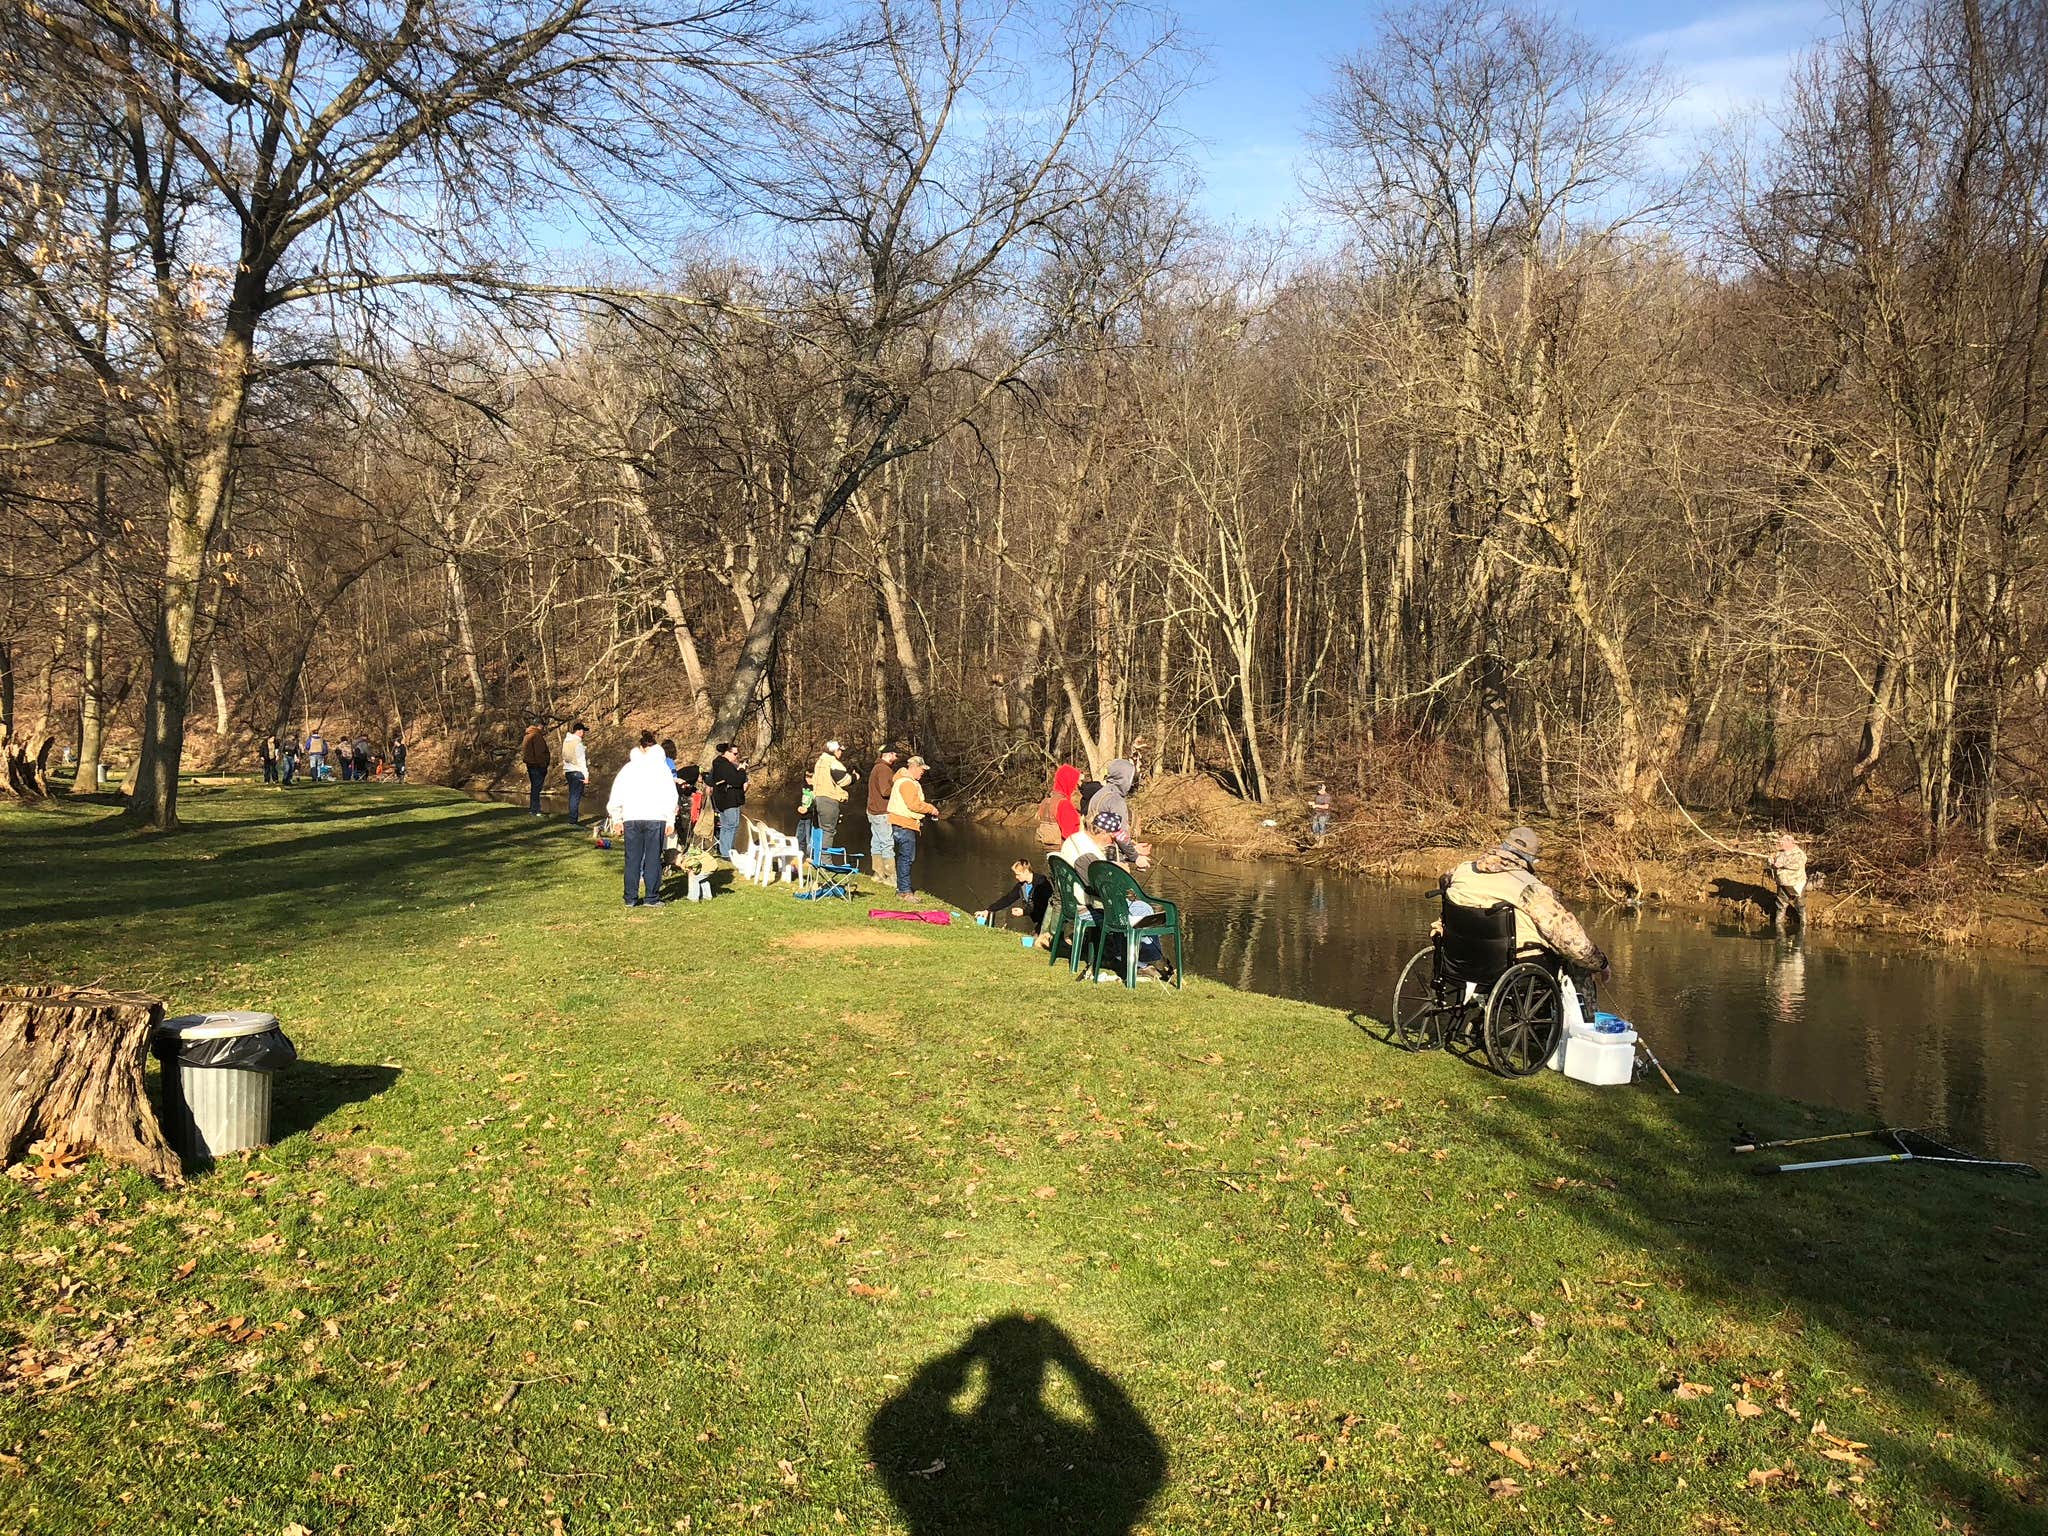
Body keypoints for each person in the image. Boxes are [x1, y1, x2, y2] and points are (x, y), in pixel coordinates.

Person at [1441, 826, 1609, 978]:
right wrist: (1599, 963)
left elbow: (1443, 884)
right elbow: (1570, 940)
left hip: (1459, 959)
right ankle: (1585, 1011)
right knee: (1575, 960)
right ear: (1530, 859)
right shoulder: (1530, 888)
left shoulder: (1461, 871)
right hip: (1512, 967)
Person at [605, 730, 678, 909]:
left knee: (632, 858)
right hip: (656, 817)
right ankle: (651, 897)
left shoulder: (628, 769)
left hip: (632, 817)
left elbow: (617, 794)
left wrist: (616, 818)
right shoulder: (662, 769)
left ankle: (630, 897)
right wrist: (670, 820)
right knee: (653, 858)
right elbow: (670, 795)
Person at [1084, 759, 1150, 870]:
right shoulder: (1116, 800)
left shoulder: (1099, 794)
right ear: (1124, 778)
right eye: (1131, 778)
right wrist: (1136, 857)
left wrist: (1132, 847)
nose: (1132, 783)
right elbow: (1120, 834)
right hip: (1109, 859)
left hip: (1093, 853)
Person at [887, 755, 938, 896]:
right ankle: (904, 891)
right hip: (904, 825)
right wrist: (931, 809)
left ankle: (902, 888)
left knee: (904, 857)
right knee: (906, 858)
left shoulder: (903, 781)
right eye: (922, 769)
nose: (923, 772)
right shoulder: (907, 783)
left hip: (900, 824)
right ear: (914, 767)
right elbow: (914, 804)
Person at [975, 859, 1051, 930]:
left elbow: (1044, 906)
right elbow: (1008, 899)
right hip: (1040, 920)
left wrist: (1024, 912)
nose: (1016, 877)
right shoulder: (1022, 885)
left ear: (1026, 871)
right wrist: (988, 910)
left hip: (1049, 919)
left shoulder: (1041, 884)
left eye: (1018, 874)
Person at [810, 739, 855, 859]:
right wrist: (855, 777)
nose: (841, 753)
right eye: (840, 750)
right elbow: (843, 780)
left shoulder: (820, 761)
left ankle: (816, 858)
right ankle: (825, 861)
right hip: (829, 800)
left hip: (817, 799)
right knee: (828, 831)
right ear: (835, 750)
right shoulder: (833, 762)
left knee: (819, 831)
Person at [866, 744, 902, 880]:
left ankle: (878, 874)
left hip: (873, 811)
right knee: (887, 843)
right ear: (888, 754)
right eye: (895, 754)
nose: (897, 757)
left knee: (876, 842)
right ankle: (891, 877)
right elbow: (885, 791)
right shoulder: (884, 769)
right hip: (881, 811)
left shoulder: (876, 768)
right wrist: (898, 786)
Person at [708, 742, 749, 859]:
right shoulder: (725, 765)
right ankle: (727, 853)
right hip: (730, 800)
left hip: (722, 799)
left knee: (726, 826)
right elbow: (736, 781)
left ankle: (724, 851)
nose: (736, 756)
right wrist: (741, 770)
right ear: (727, 752)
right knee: (732, 826)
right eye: (735, 754)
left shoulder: (717, 764)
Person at [1765, 832, 1808, 932]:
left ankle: (1804, 924)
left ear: (1790, 843)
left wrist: (1782, 864)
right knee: (1780, 904)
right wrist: (1771, 861)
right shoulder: (1779, 852)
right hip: (1782, 884)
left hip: (1797, 884)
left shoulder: (1799, 853)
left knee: (1800, 904)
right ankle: (1778, 924)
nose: (1781, 843)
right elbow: (1770, 861)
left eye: (1783, 842)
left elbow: (1798, 864)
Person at [1036, 765, 1081, 847]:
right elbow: (1071, 834)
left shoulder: (1045, 802)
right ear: (1068, 782)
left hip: (1050, 851)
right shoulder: (1064, 804)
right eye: (1074, 782)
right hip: (1064, 852)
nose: (1076, 786)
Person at [562, 721, 590, 826]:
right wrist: (586, 776)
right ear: (579, 731)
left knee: (572, 796)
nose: (584, 733)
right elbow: (581, 761)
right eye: (583, 731)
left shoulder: (566, 741)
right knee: (575, 797)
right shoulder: (578, 744)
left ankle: (572, 819)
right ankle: (573, 821)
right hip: (577, 771)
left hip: (568, 772)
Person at [520, 723, 549, 815]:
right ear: (539, 726)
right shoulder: (536, 736)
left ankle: (533, 809)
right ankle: (535, 810)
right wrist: (543, 764)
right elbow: (539, 752)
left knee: (534, 788)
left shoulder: (527, 736)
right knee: (536, 788)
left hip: (530, 765)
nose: (543, 729)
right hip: (537, 766)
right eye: (543, 726)